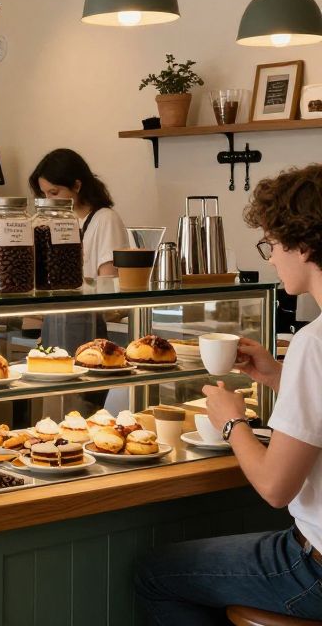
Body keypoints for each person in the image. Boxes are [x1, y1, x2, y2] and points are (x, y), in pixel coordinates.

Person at [135, 164, 322, 623]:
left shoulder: (314, 342)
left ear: (304, 244)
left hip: (313, 572)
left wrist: (231, 420)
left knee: (153, 575)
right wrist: (278, 376)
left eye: (273, 245)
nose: (272, 259)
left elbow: (276, 488)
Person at [28, 148, 129, 280]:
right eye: (44, 194)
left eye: (54, 193)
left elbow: (109, 281)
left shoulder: (106, 219)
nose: (48, 201)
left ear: (76, 186)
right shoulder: (48, 223)